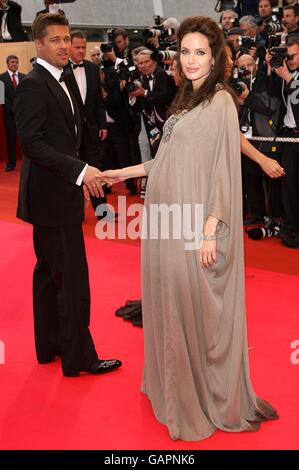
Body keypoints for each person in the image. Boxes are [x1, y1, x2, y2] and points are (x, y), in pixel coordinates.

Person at [104, 16, 278, 441]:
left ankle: (204, 393)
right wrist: (117, 173)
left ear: (216, 56)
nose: (192, 59)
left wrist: (209, 229)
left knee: (195, 307)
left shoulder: (219, 100)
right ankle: (174, 384)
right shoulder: (185, 99)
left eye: (201, 52)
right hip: (166, 221)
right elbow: (162, 161)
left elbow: (222, 168)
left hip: (195, 222)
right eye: (185, 51)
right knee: (169, 301)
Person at [14, 13, 122, 377]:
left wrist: (91, 169)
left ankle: (50, 347)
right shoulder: (32, 84)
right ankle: (80, 358)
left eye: (66, 39)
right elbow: (33, 145)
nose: (63, 45)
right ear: (39, 44)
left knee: (49, 274)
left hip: (61, 192)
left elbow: (78, 131)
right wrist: (80, 172)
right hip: (52, 197)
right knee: (70, 278)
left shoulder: (67, 78)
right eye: (56, 40)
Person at [0, 54, 25, 171]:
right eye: (12, 62)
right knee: (11, 139)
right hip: (9, 115)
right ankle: (11, 163)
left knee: (26, 139)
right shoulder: (1, 78)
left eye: (16, 62)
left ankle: (27, 163)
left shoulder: (24, 77)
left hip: (24, 115)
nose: (14, 64)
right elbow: (1, 97)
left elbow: (27, 95)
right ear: (7, 64)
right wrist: (13, 109)